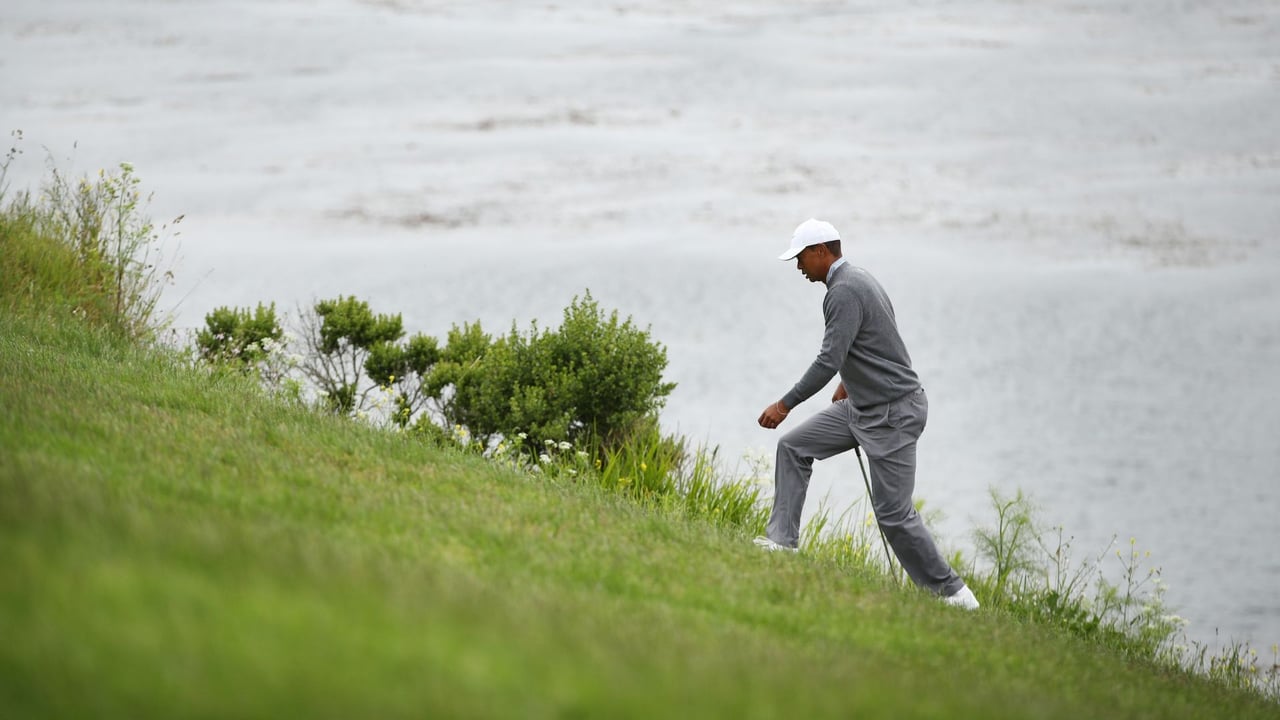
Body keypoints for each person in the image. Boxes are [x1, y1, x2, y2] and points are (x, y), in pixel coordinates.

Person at [754, 218, 979, 610]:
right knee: (793, 448)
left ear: (822, 251)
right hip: (860, 405)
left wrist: (784, 404)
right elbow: (871, 342)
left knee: (893, 514)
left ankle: (954, 595)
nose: (799, 267)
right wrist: (850, 382)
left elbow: (828, 359)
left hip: (894, 413)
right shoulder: (859, 279)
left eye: (802, 258)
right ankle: (781, 544)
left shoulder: (843, 291)